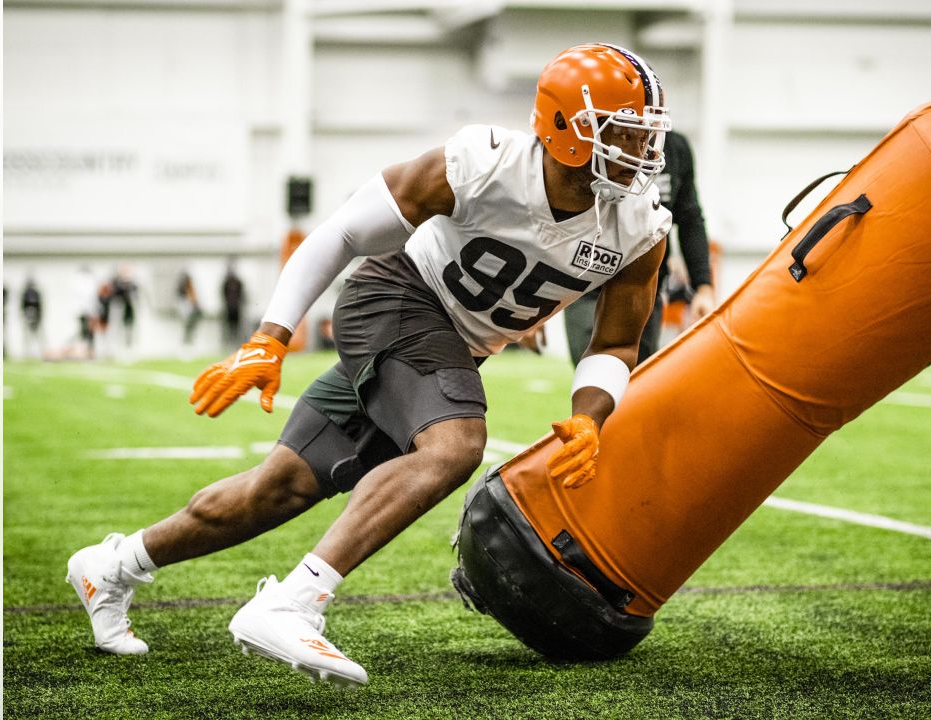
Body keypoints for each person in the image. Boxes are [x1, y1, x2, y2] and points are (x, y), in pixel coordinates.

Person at [65, 43, 672, 686]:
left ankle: (113, 566)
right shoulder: (481, 163)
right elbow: (343, 233)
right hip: (395, 297)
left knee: (280, 488)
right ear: (563, 131)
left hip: (449, 346)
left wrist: (588, 417)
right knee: (456, 444)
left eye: (644, 133)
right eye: (623, 131)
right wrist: (270, 336)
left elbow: (614, 345)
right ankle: (294, 602)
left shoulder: (637, 224)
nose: (639, 149)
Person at [557, 130, 714, 365]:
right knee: (594, 372)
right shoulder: (592, 139)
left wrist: (703, 286)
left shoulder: (675, 148)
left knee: (636, 380)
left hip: (645, 287)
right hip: (589, 282)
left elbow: (690, 218)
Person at [222, 259, 246, 346]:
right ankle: (228, 342)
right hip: (229, 308)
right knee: (228, 326)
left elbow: (242, 294)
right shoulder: (226, 282)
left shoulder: (238, 282)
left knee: (236, 327)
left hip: (236, 308)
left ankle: (236, 342)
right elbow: (223, 294)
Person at [21, 275, 44, 359]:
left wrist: (39, 316)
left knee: (37, 334)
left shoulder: (36, 293)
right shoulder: (25, 293)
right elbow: (22, 305)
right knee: (27, 335)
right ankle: (27, 352)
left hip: (36, 316)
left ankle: (39, 352)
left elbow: (40, 306)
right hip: (28, 315)